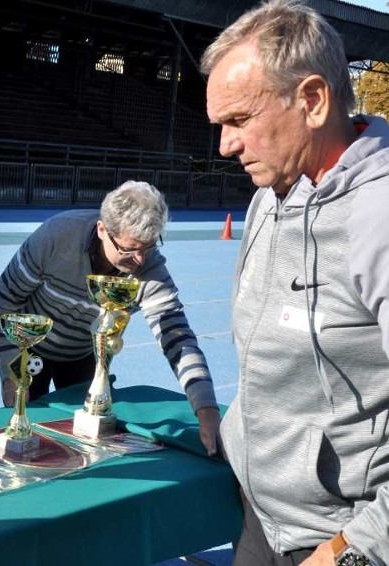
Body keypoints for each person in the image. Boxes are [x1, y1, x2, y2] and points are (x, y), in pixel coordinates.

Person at [202, 1, 389, 564]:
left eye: (239, 120)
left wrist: (358, 547)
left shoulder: (379, 214)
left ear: (312, 100)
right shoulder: (268, 197)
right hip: (263, 520)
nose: (225, 146)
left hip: (337, 535)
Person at [0, 180, 221, 457]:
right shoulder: (55, 236)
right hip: (29, 346)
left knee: (86, 443)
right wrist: (9, 372)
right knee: (23, 437)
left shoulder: (149, 266)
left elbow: (177, 336)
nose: (139, 260)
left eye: (148, 248)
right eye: (129, 249)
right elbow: (4, 301)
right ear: (102, 229)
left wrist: (206, 408)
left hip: (85, 354)